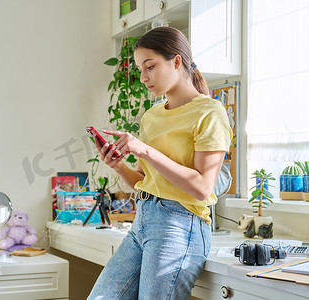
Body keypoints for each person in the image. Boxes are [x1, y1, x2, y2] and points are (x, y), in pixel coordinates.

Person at [87, 26, 232, 300]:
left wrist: (145, 151)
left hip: (180, 225)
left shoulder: (210, 113)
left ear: (176, 61)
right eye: (141, 69)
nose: (143, 78)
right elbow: (144, 181)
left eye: (149, 66)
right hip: (143, 220)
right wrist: (118, 165)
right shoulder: (151, 117)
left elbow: (203, 187)